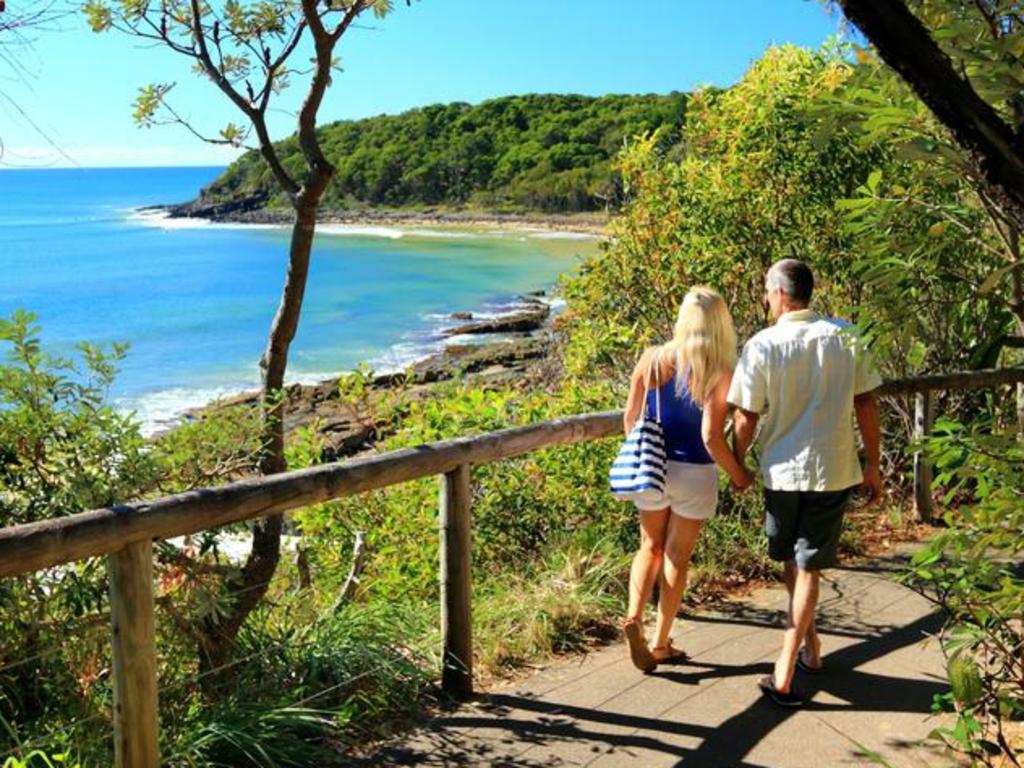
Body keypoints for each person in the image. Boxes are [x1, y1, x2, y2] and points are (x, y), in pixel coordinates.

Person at [729, 258, 883, 707]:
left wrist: (736, 466)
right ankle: (812, 651)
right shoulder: (845, 335)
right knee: (798, 563)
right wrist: (872, 464)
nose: (764, 299)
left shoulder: (762, 345)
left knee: (803, 564)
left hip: (782, 471)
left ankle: (783, 668)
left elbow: (745, 416)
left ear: (779, 293)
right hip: (833, 467)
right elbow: (866, 402)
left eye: (765, 291)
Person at [621, 286, 754, 672]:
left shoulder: (652, 359)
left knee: (649, 546)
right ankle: (661, 642)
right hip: (695, 472)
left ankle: (633, 617)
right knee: (677, 556)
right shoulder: (720, 371)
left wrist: (643, 455)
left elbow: (631, 418)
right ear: (719, 324)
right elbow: (711, 437)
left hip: (654, 468)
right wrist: (739, 474)